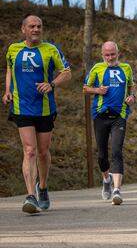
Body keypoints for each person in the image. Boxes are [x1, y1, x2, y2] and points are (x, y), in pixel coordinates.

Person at [2, 14, 72, 214]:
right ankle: (30, 195)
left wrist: (51, 84)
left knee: (42, 152)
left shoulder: (51, 50)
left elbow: (66, 72)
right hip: (21, 106)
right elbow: (9, 69)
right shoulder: (13, 49)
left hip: (44, 108)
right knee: (30, 150)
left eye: (39, 26)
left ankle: (43, 187)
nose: (36, 29)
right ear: (23, 29)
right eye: (32, 26)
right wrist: (7, 91)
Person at [83, 41, 136, 205]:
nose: (110, 57)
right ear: (102, 55)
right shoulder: (97, 69)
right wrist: (97, 90)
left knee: (117, 151)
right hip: (100, 115)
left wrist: (132, 96)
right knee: (102, 155)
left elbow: (131, 86)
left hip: (119, 114)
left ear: (118, 53)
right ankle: (106, 179)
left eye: (113, 54)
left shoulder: (126, 68)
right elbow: (85, 88)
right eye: (107, 55)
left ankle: (117, 190)